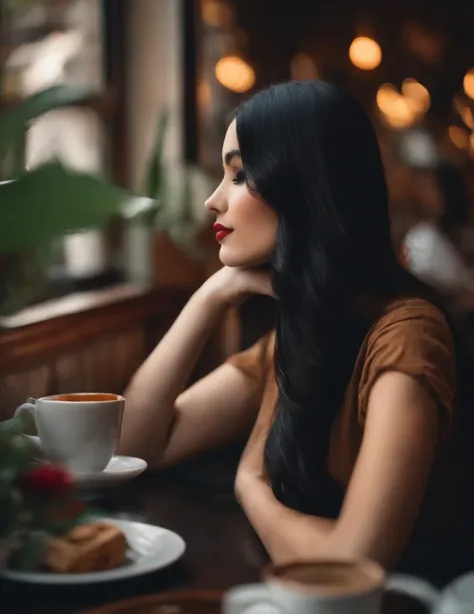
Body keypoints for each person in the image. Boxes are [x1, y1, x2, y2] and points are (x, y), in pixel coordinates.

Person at [120, 81, 472, 586]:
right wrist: (211, 297)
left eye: (239, 175)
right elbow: (138, 447)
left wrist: (251, 485)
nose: (211, 201)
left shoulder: (407, 335)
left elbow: (354, 567)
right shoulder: (303, 335)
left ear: (304, 185)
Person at [404, 162, 474, 295]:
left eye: (433, 188)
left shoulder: (466, 232)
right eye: (427, 189)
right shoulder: (420, 240)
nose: (427, 196)